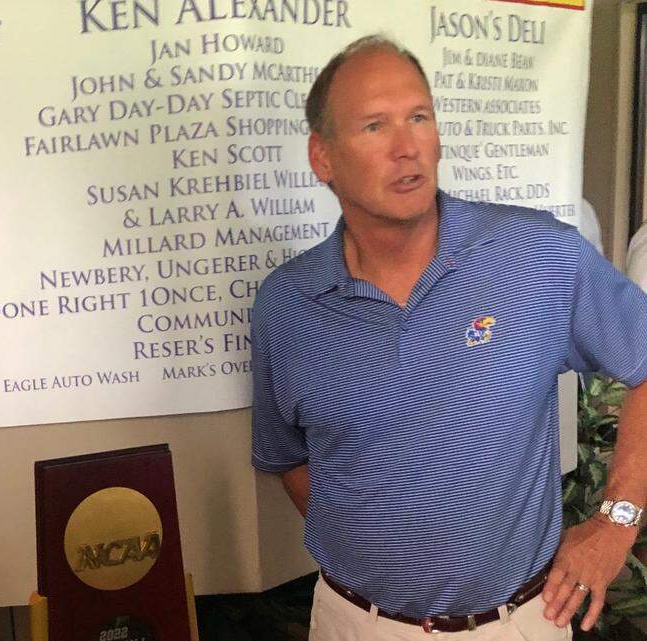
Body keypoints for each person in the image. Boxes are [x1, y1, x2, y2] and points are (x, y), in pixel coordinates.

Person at [251, 35, 647, 640]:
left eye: (418, 117)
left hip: (515, 623)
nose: (407, 147)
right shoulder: (286, 305)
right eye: (375, 126)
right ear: (322, 157)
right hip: (352, 623)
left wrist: (617, 521)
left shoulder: (536, 254)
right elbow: (291, 459)